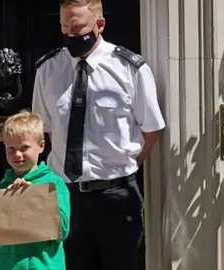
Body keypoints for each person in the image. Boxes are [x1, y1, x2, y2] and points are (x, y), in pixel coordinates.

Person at [31, 1, 166, 270]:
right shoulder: (48, 70)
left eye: (78, 26)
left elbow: (151, 130)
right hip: (64, 196)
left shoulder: (130, 69)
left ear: (99, 25)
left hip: (116, 197)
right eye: (64, 26)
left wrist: (124, 166)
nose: (70, 33)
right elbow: (41, 131)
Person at [0, 110, 70, 270]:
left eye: (24, 148)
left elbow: (62, 230)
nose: (17, 154)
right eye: (11, 148)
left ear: (41, 146)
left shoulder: (55, 184)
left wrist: (33, 197)